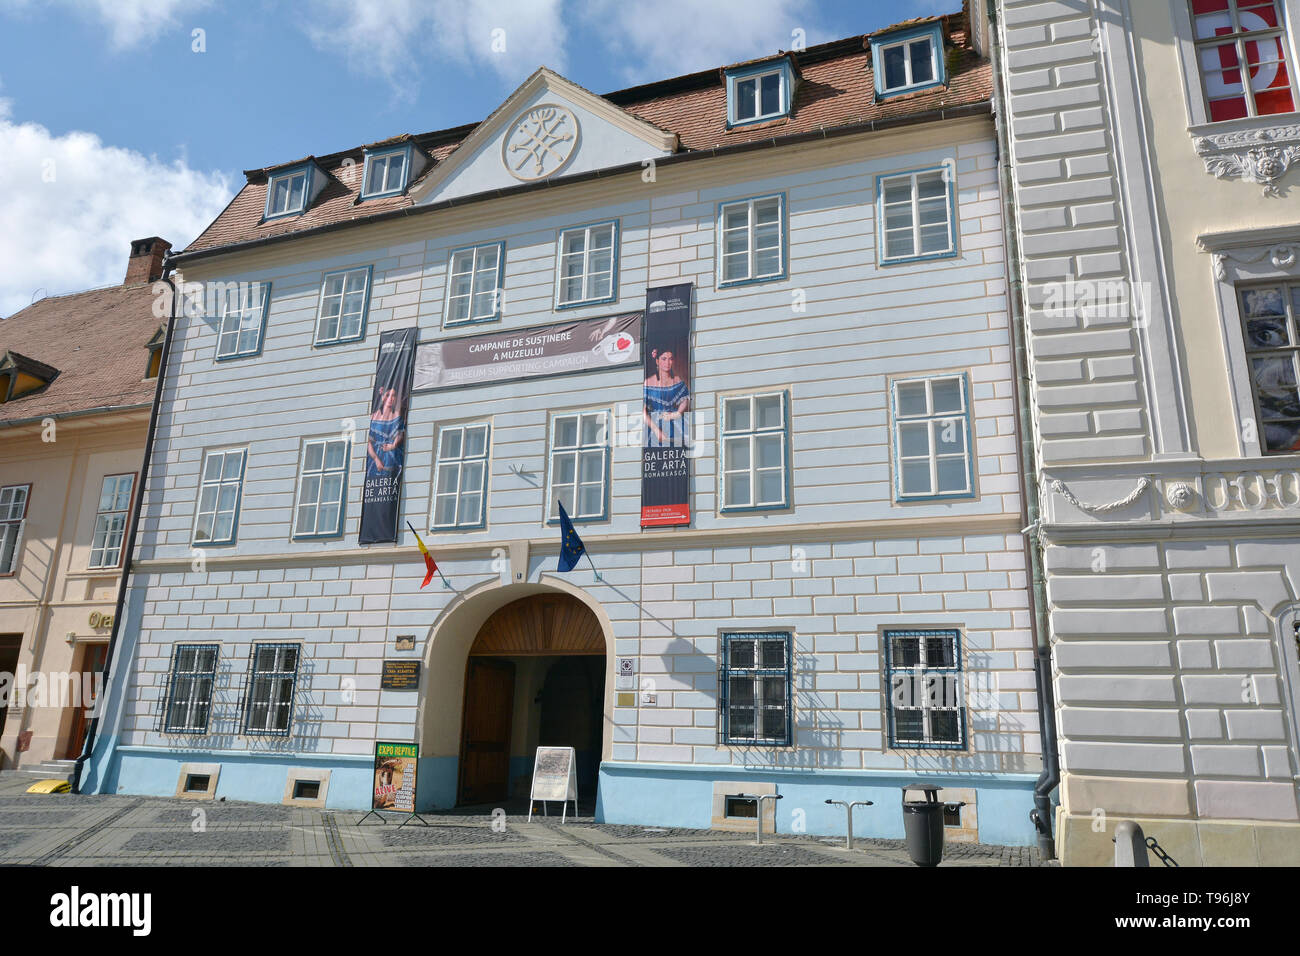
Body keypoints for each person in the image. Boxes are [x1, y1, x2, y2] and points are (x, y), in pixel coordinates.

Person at [643, 348, 690, 447]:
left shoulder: (677, 380)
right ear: (657, 361)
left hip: (676, 425)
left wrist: (677, 413)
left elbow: (685, 400)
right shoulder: (648, 382)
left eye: (670, 359)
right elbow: (643, 411)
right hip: (655, 426)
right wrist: (656, 430)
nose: (667, 362)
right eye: (664, 359)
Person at [366, 386, 406, 480]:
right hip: (375, 461)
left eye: (393, 395)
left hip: (392, 459)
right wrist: (376, 459)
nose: (390, 398)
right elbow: (369, 442)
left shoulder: (398, 416)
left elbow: (400, 433)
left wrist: (393, 445)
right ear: (383, 396)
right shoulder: (374, 417)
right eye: (388, 395)